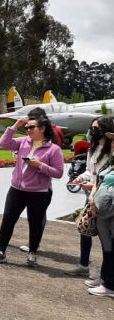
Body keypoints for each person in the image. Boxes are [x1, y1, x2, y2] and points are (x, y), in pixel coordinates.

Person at [0, 115, 64, 266]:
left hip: (39, 193)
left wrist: (40, 166)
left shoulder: (53, 149)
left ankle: (32, 253)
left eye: (31, 127)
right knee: (8, 220)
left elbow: (59, 173)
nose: (28, 130)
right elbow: (3, 142)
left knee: (35, 223)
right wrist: (16, 125)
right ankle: (1, 251)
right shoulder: (23, 141)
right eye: (26, 127)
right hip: (17, 189)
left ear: (42, 129)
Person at [65, 117, 113, 276]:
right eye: (92, 128)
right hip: (91, 195)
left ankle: (106, 274)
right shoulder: (93, 148)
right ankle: (84, 265)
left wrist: (92, 187)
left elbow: (107, 178)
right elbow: (89, 171)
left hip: (105, 197)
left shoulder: (111, 150)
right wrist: (79, 179)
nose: (92, 131)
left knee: (106, 235)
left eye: (96, 128)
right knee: (86, 229)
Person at [85, 131, 114, 297]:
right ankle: (105, 278)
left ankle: (110, 285)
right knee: (107, 248)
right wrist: (93, 197)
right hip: (103, 213)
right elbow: (101, 180)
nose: (113, 143)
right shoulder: (112, 161)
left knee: (112, 249)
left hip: (110, 214)